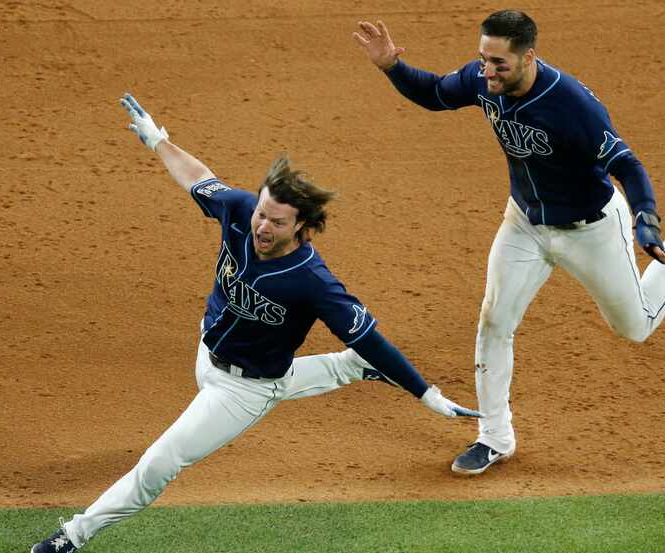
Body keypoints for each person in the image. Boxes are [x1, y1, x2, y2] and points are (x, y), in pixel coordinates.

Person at [29, 93, 480, 553]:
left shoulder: (313, 283)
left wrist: (426, 394)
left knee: (160, 463)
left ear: (302, 226)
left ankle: (72, 537)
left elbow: (371, 338)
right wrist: (159, 142)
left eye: (277, 222)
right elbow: (200, 179)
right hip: (209, 350)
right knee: (307, 366)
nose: (263, 227)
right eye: (262, 213)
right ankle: (349, 368)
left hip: (243, 390)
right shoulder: (242, 212)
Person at [353, 10, 665, 475]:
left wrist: (647, 221)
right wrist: (391, 66)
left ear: (529, 56)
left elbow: (626, 164)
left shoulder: (572, 106)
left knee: (637, 326)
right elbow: (435, 95)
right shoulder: (483, 79)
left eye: (499, 63)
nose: (487, 71)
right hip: (524, 222)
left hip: (591, 231)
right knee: (494, 320)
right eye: (483, 59)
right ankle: (494, 436)